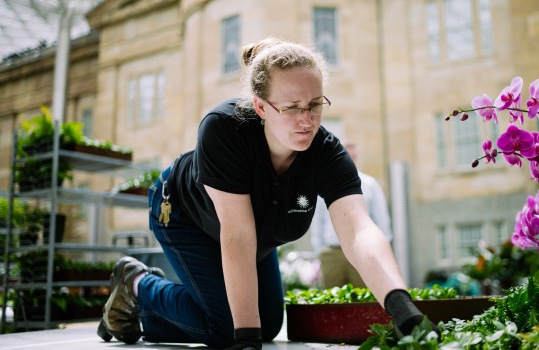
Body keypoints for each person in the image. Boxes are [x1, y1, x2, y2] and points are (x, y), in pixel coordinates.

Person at [97, 37, 436, 349]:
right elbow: (238, 235)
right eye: (291, 107)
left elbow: (360, 231)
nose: (307, 120)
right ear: (261, 107)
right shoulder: (224, 129)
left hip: (249, 236)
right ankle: (137, 283)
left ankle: (145, 313)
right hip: (185, 216)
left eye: (315, 104)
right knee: (233, 329)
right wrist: (245, 341)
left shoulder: (327, 153)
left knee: (269, 325)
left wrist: (402, 307)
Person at [310, 141, 392, 288]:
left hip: (362, 252)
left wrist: (380, 253)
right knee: (331, 301)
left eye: (352, 156)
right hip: (332, 253)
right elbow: (318, 220)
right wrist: (319, 250)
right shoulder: (325, 185)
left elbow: (381, 219)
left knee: (363, 299)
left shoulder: (370, 184)